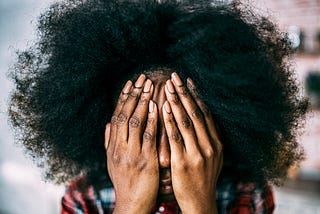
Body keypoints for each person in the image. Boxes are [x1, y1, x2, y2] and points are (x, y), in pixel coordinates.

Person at [7, 0, 309, 213]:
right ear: (109, 137)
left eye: (183, 126)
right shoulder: (84, 199)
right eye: (142, 131)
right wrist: (130, 206)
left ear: (216, 126)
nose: (164, 157)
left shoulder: (249, 193)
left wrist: (200, 205)